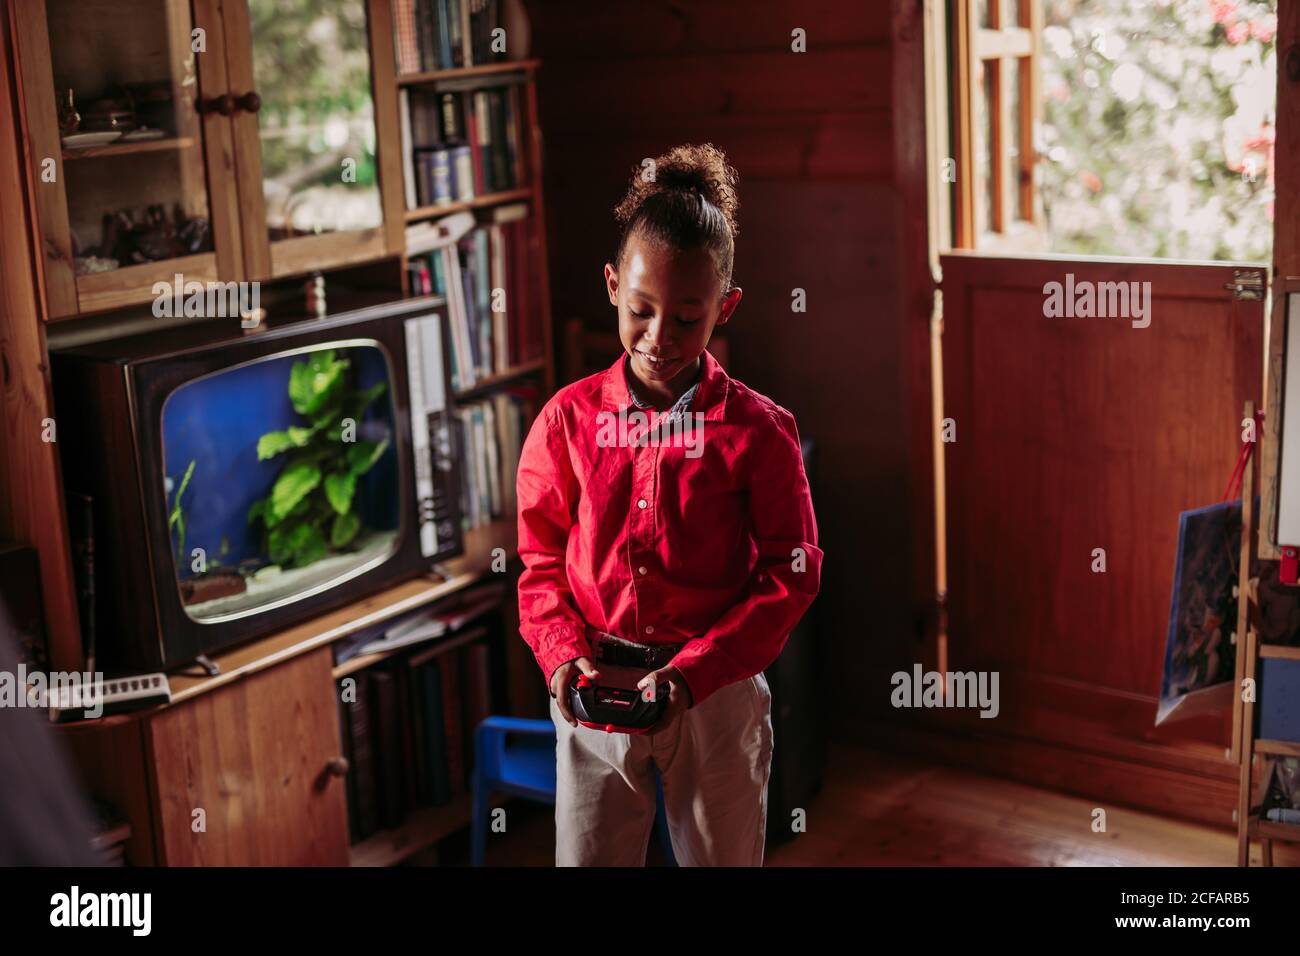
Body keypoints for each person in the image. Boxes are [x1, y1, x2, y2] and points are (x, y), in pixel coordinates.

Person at [516, 143, 822, 866]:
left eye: (688, 318)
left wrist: (692, 674)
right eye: (641, 310)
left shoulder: (761, 432)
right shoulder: (564, 422)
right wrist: (562, 660)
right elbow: (537, 562)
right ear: (613, 285)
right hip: (593, 690)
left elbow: (792, 572)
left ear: (725, 306)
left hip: (715, 699)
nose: (661, 338)